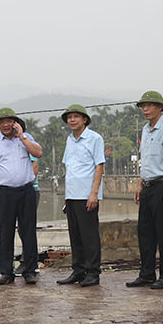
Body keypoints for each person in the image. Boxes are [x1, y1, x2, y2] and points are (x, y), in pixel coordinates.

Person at [126, 91, 163, 290]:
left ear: (159, 107)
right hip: (148, 186)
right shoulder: (145, 130)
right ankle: (147, 274)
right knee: (145, 232)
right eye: (143, 106)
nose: (145, 109)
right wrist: (140, 184)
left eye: (149, 105)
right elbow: (147, 160)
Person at [0, 107, 43, 285]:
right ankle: (6, 272)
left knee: (28, 231)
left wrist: (22, 137)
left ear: (15, 123)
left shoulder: (26, 138)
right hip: (4, 193)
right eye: (2, 122)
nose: (6, 125)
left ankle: (30, 270)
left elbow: (38, 153)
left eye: (9, 121)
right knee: (5, 232)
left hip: (26, 191)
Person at [56, 103, 105, 287]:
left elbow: (99, 166)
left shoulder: (95, 138)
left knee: (89, 236)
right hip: (72, 195)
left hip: (86, 195)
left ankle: (93, 273)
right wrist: (66, 196)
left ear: (84, 119)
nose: (72, 120)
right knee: (75, 235)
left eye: (76, 117)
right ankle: (78, 270)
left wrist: (94, 194)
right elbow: (69, 168)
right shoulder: (70, 140)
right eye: (69, 117)